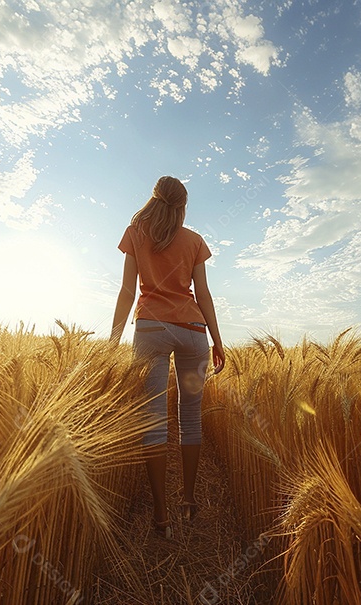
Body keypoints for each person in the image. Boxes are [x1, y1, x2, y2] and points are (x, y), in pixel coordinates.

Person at [111, 175, 225, 540]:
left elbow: (128, 291)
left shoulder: (136, 232)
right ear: (182, 205)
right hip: (193, 331)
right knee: (190, 419)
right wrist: (217, 340)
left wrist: (114, 341)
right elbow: (203, 294)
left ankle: (161, 512)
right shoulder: (194, 241)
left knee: (153, 420)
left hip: (151, 331)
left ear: (155, 198)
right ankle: (188, 500)